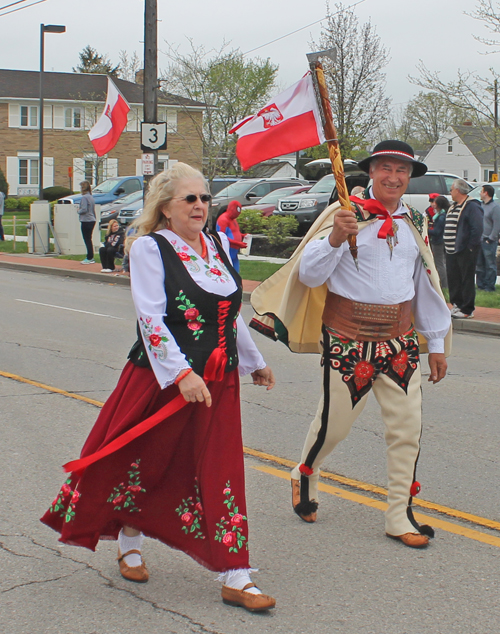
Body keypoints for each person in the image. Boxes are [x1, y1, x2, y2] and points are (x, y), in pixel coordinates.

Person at [41, 163, 276, 612]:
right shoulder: (151, 248)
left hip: (218, 380)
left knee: (219, 467)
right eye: (189, 199)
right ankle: (130, 538)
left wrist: (255, 362)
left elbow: (230, 312)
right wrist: (181, 374)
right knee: (143, 461)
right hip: (163, 378)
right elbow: (150, 317)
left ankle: (235, 573)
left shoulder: (216, 244)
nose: (200, 206)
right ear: (166, 207)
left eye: (204, 198)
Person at [251, 140, 451, 549]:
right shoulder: (344, 215)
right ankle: (305, 471)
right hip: (347, 339)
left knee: (407, 429)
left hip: (399, 342)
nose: (393, 177)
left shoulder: (414, 221)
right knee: (334, 427)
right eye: (385, 168)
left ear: (410, 176)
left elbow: (424, 285)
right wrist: (337, 238)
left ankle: (399, 515)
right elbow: (308, 274)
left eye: (401, 170)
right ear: (371, 172)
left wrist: (436, 342)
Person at [445, 179, 484, 318]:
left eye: (451, 189)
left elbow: (477, 228)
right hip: (451, 250)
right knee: (454, 278)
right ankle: (457, 304)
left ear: (458, 190)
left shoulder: (472, 206)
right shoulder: (453, 206)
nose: (450, 192)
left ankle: (467, 309)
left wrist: (470, 247)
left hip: (465, 250)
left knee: (466, 278)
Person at [476, 184, 500, 292]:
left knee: (490, 265)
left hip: (489, 241)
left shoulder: (495, 208)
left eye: (481, 191)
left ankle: (489, 287)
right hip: (479, 240)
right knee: (479, 264)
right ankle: (481, 285)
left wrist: (491, 238)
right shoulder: (481, 205)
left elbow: (497, 225)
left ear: (486, 193)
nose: (480, 193)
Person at [216, 200, 247, 272]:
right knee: (228, 270)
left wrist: (243, 236)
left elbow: (235, 232)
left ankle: (237, 282)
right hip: (227, 250)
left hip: (234, 251)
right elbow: (221, 237)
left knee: (236, 271)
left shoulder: (233, 220)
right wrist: (237, 243)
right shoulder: (223, 220)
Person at [428, 195, 449, 288]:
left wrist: (426, 230)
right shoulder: (440, 215)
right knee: (439, 262)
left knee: (439, 263)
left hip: (438, 242)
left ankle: (444, 285)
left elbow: (437, 232)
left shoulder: (441, 217)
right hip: (438, 241)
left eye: (435, 202)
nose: (433, 204)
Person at [78, 180, 96, 264]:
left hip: (86, 220)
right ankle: (90, 257)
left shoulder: (84, 197)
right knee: (89, 239)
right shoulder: (91, 197)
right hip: (92, 219)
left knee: (87, 239)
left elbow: (84, 209)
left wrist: (78, 210)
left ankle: (89, 257)